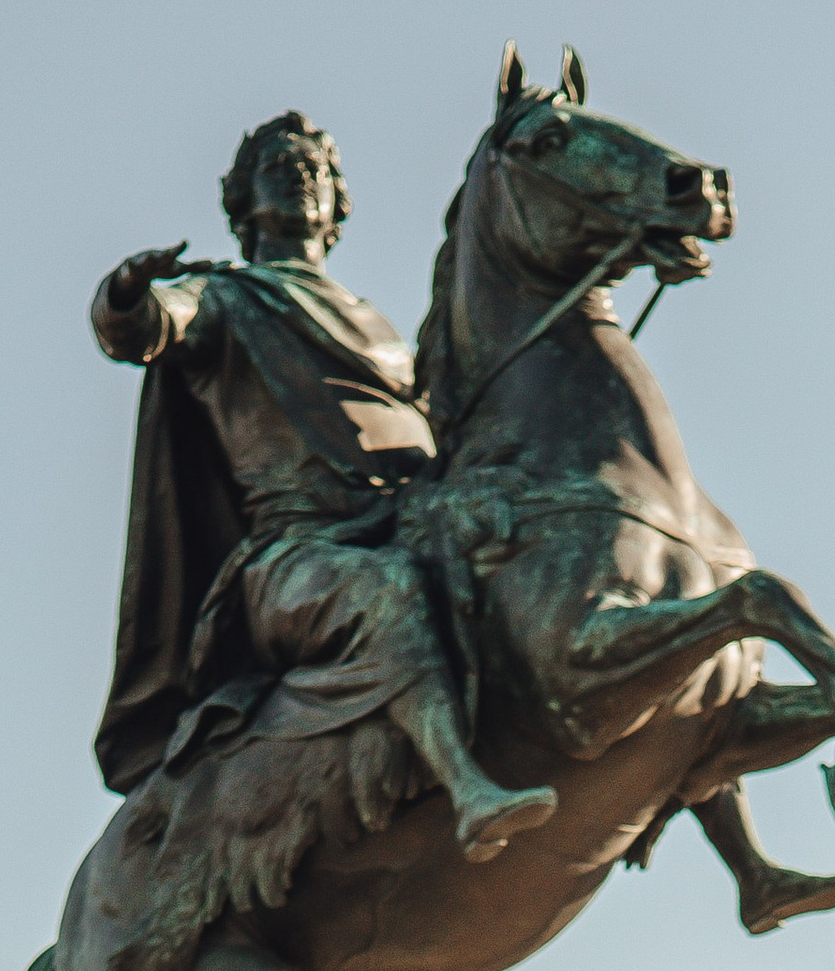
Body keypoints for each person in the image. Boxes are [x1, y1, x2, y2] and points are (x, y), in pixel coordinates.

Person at [91, 108, 557, 855]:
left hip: (408, 522)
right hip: (298, 555)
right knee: (387, 593)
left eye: (315, 168)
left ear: (338, 199)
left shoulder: (379, 324)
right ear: (244, 201)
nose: (301, 176)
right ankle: (468, 788)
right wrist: (125, 296)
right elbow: (145, 327)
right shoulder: (223, 298)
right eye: (279, 166)